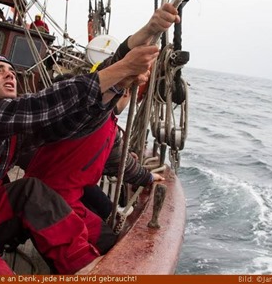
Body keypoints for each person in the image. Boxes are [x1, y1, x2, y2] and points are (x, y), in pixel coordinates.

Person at [0, 3, 180, 275]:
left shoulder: (10, 132)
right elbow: (39, 106)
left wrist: (140, 39)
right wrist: (119, 71)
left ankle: (83, 266)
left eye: (11, 71)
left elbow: (70, 120)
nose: (9, 75)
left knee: (30, 189)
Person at [23, 82, 165, 255]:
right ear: (127, 92)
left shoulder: (102, 118)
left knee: (103, 234)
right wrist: (147, 178)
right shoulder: (98, 118)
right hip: (54, 200)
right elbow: (120, 162)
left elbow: (112, 159)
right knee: (106, 244)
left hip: (52, 192)